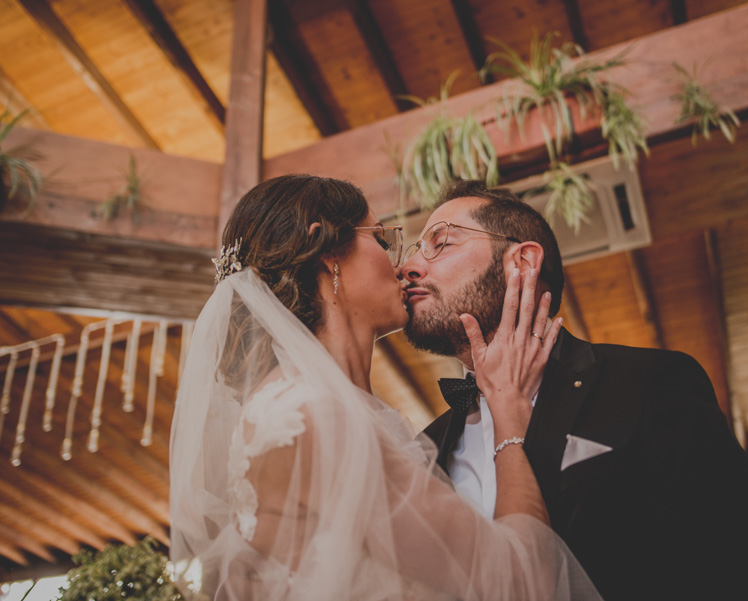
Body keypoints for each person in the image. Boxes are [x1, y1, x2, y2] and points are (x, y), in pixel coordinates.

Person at [168, 174, 602, 601]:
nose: (403, 266)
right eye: (380, 239)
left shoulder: (333, 412)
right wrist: (509, 414)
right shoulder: (309, 416)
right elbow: (521, 583)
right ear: (327, 253)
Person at [401, 180, 748, 601]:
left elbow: (744, 569)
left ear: (522, 262)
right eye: (413, 250)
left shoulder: (650, 382)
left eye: (440, 243)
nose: (410, 266)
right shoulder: (424, 448)